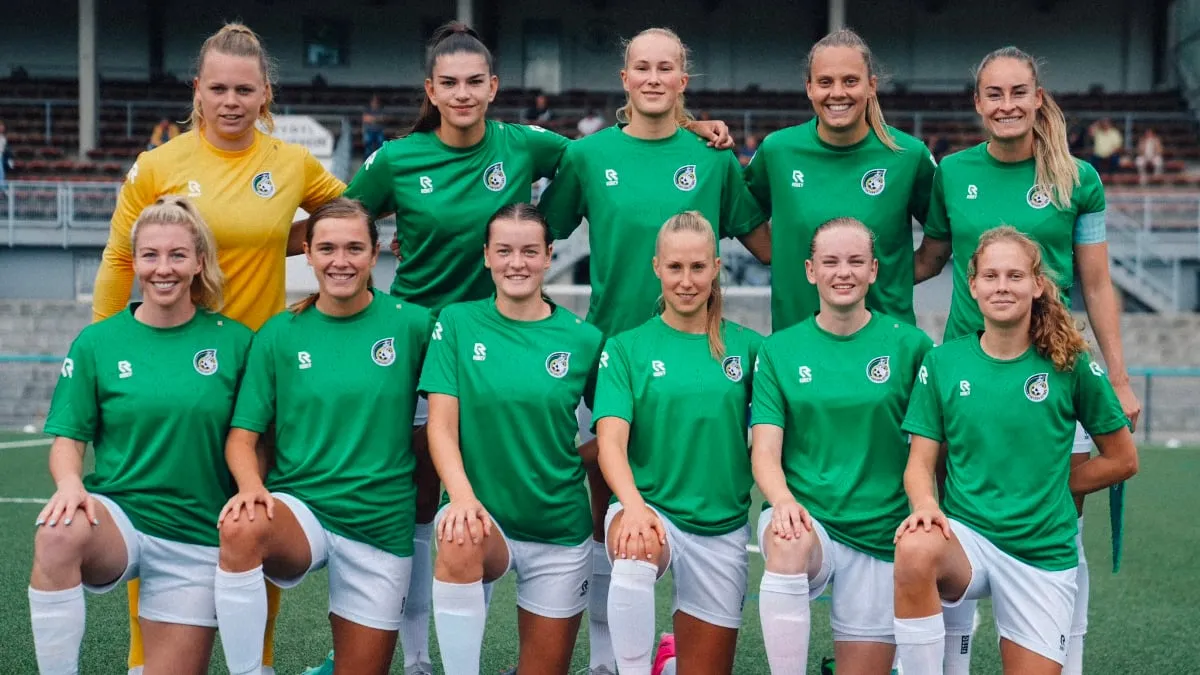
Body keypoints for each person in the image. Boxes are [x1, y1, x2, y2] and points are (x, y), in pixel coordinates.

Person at [343, 24, 732, 674]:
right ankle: (413, 655)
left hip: (532, 340)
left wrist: (695, 127)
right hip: (424, 340)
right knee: (415, 493)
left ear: (493, 87)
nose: (464, 93)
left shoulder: (533, 147)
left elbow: (612, 153)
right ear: (430, 89)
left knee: (591, 473)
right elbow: (337, 228)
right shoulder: (399, 158)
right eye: (451, 82)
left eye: (476, 82)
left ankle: (609, 653)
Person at [91, 23, 346, 674]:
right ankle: (145, 660)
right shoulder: (160, 164)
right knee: (156, 511)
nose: (231, 101)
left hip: (255, 374)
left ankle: (250, 662)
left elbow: (344, 222)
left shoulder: (291, 164)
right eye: (218, 88)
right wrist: (104, 356)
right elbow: (122, 257)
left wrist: (291, 249)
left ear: (266, 95)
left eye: (244, 89)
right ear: (196, 91)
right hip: (167, 369)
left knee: (249, 518)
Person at [537, 29, 770, 673]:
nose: (653, 78)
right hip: (610, 357)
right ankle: (609, 658)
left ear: (683, 79)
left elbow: (766, 241)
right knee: (604, 510)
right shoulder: (587, 157)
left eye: (666, 68)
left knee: (687, 493)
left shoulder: (714, 158)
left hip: (699, 358)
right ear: (625, 76)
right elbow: (534, 240)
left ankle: (667, 645)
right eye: (642, 67)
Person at [912, 47, 1143, 673]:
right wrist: (847, 283)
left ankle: (1068, 654)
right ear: (978, 103)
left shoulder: (1077, 179)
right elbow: (930, 259)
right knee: (949, 525)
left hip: (1054, 369)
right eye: (994, 93)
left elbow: (1096, 285)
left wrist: (1117, 378)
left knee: (1059, 524)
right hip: (969, 372)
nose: (1006, 105)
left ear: (1038, 97)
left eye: (1019, 92)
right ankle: (948, 659)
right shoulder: (952, 173)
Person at [892, 226, 1138, 675]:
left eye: (1014, 275)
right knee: (914, 547)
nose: (1002, 286)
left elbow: (1123, 458)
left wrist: (1052, 487)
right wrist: (926, 505)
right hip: (967, 541)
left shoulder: (1071, 363)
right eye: (990, 276)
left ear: (1037, 284)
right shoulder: (943, 362)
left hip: (1041, 551)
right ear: (973, 285)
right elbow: (919, 465)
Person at [29, 197, 252, 675]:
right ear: (135, 263)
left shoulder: (236, 342)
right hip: (119, 518)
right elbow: (68, 439)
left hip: (196, 534)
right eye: (150, 255)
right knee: (56, 533)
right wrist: (71, 485)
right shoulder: (98, 342)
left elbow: (254, 439)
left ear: (198, 262)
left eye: (177, 255)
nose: (163, 268)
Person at [213, 198, 431, 675]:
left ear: (376, 255)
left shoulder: (413, 325)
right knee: (241, 526)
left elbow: (452, 411)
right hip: (302, 509)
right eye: (327, 248)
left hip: (380, 520)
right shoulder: (278, 333)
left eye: (355, 248)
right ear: (307, 253)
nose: (341, 261)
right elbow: (241, 438)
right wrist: (252, 490)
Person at [421, 203, 604, 674]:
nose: (515, 263)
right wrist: (461, 498)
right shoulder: (457, 323)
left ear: (548, 256)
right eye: (503, 251)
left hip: (558, 525)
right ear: (486, 256)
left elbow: (612, 432)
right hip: (482, 518)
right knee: (458, 538)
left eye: (528, 252)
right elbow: (441, 425)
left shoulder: (584, 338)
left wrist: (566, 458)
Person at [751, 217, 933, 674]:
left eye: (856, 261)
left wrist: (923, 505)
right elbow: (766, 450)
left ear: (874, 269)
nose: (843, 272)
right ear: (811, 271)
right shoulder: (779, 350)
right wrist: (783, 500)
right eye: (830, 262)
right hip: (811, 520)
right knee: (787, 540)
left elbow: (931, 447)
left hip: (883, 532)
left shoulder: (911, 346)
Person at [594, 211, 763, 675]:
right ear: (656, 268)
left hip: (722, 526)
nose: (686, 281)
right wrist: (631, 506)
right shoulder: (626, 348)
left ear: (715, 268)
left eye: (697, 268)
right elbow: (610, 442)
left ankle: (669, 661)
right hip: (648, 507)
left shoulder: (749, 349)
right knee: (634, 550)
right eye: (675, 268)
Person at [744, 28, 936, 333]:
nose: (837, 93)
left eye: (850, 81)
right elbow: (741, 213)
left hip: (887, 349)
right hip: (797, 344)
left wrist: (894, 276)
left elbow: (942, 235)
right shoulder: (777, 151)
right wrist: (778, 257)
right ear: (809, 88)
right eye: (825, 82)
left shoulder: (907, 155)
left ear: (871, 86)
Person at [362, 95, 386, 159]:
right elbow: (365, 118)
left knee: (381, 146)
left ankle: (379, 160)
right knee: (368, 147)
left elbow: (383, 118)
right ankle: (367, 161)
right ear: (371, 102)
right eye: (374, 101)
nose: (375, 103)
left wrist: (372, 119)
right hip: (369, 131)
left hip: (379, 131)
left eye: (376, 101)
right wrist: (376, 119)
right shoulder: (367, 109)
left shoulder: (381, 110)